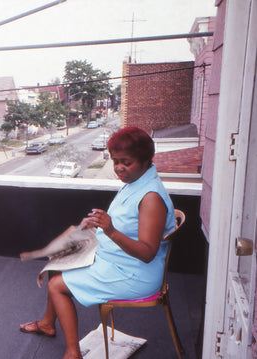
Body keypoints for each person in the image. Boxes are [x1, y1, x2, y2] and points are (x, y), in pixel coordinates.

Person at [19, 127, 175, 359]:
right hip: (116, 259)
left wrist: (110, 229)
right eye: (115, 162)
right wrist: (97, 224)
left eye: (127, 162)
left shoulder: (151, 197)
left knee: (56, 287)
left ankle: (73, 353)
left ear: (145, 160)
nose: (119, 168)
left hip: (135, 273)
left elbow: (148, 253)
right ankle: (47, 324)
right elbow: (127, 223)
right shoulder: (136, 182)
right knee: (57, 265)